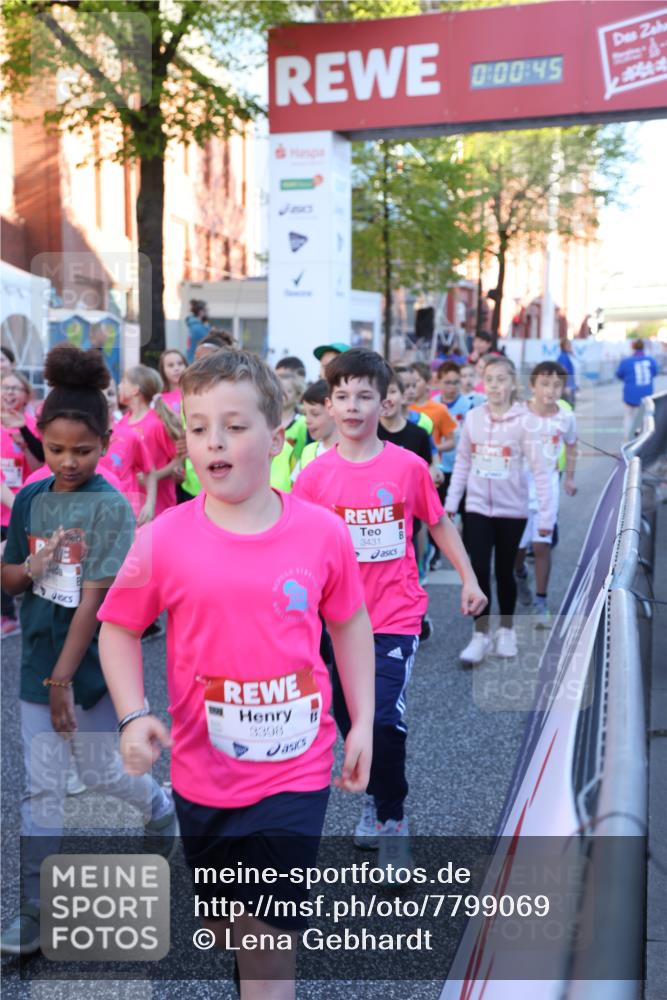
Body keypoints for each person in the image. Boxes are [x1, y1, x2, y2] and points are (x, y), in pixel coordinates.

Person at [97, 348, 374, 998]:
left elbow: (350, 623)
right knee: (229, 928)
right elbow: (118, 628)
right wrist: (135, 713)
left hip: (295, 769)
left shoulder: (322, 534)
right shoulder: (164, 538)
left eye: (234, 425)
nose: (213, 440)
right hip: (203, 775)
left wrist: (361, 720)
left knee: (268, 948)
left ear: (276, 439)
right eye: (198, 428)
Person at [0, 345, 175, 957]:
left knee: (104, 773)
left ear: (105, 442)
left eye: (83, 449)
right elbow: (10, 581)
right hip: (36, 661)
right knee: (41, 786)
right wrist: (33, 562)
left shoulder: (109, 507)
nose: (68, 461)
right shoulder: (28, 497)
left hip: (95, 665)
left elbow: (96, 604)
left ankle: (159, 806)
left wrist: (63, 683)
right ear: (41, 442)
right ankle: (34, 909)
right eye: (55, 449)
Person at [293, 349, 486, 876]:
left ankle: (393, 819)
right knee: (350, 720)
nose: (353, 406)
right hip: (335, 621)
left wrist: (468, 578)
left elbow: (439, 523)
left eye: (364, 396)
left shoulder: (407, 467)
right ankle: (376, 800)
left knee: (382, 719)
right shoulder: (313, 478)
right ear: (329, 405)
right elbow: (297, 545)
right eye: (342, 396)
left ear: (385, 402)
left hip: (394, 617)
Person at [444, 356, 554, 665]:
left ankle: (506, 629)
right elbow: (463, 461)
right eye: (489, 379)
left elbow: (541, 471)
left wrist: (545, 517)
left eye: (501, 379)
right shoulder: (474, 418)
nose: (495, 386)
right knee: (477, 570)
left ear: (512, 384)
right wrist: (451, 504)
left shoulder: (524, 421)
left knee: (503, 572)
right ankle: (480, 634)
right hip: (477, 507)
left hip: (512, 510)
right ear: (483, 382)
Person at [514, 362, 577, 627]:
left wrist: (569, 478)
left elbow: (572, 447)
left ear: (563, 388)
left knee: (542, 546)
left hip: (546, 489)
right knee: (515, 551)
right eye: (544, 384)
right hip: (517, 488)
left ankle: (541, 602)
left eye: (556, 385)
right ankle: (519, 573)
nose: (550, 390)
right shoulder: (518, 413)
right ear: (533, 386)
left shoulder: (566, 417)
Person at [1, 372, 44, 636]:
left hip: (23, 505)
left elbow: (40, 466)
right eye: (5, 387)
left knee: (22, 565)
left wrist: (25, 442)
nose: (9, 393)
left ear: (26, 395)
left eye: (16, 388)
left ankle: (27, 617)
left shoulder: (31, 424)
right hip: (4, 505)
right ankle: (7, 615)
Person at [117, 366, 184, 517]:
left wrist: (156, 475)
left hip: (159, 506)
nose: (119, 386)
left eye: (123, 382)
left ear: (135, 390)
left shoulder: (156, 424)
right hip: (132, 505)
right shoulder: (121, 423)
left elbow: (178, 458)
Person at [407, 362, 457, 460]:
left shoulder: (439, 409)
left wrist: (431, 448)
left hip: (429, 464)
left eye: (416, 382)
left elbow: (451, 442)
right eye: (408, 384)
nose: (412, 387)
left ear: (428, 383)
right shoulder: (402, 408)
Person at [291, 379, 338, 480]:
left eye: (315, 414)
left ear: (334, 410)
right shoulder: (308, 451)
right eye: (305, 414)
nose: (307, 420)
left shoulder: (352, 454)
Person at [616, 338, 659, 440]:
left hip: (630, 395)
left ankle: (628, 440)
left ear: (633, 347)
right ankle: (644, 440)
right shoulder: (650, 360)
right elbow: (655, 373)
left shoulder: (626, 361)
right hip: (646, 394)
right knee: (645, 419)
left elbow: (619, 374)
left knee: (629, 418)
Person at [275, 361, 308, 463]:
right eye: (279, 391)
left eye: (288, 391)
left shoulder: (303, 423)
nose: (283, 395)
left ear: (298, 395)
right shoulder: (267, 421)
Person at [158, 349, 188, 415]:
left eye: (180, 363)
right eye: (171, 365)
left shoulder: (195, 392)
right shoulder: (159, 399)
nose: (176, 368)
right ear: (163, 370)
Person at [556, 337, 578, 408]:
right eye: (568, 345)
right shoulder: (563, 357)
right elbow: (562, 373)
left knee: (570, 407)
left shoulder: (568, 356)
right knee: (567, 407)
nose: (570, 347)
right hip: (567, 387)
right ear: (564, 346)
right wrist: (565, 386)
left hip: (571, 386)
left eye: (570, 345)